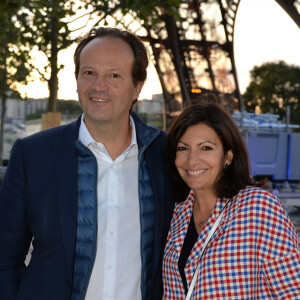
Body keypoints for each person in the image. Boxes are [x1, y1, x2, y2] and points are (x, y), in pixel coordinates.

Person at [0, 27, 174, 300]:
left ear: (137, 88)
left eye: (114, 75)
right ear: (77, 80)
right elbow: (5, 259)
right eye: (88, 73)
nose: (98, 86)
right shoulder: (32, 155)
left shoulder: (167, 155)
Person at [163, 101, 300, 299]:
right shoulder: (175, 213)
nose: (192, 160)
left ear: (228, 156)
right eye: (183, 148)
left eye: (206, 148)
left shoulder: (258, 209)